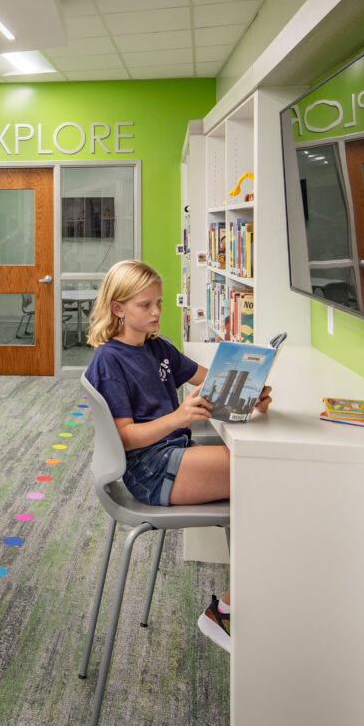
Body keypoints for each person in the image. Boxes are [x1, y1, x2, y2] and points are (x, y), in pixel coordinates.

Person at [83, 259, 272, 654]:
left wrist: (249, 394)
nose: (155, 312)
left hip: (173, 453)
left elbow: (211, 377)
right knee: (265, 476)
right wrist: (178, 417)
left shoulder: (159, 349)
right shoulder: (110, 360)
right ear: (118, 309)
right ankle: (227, 611)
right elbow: (126, 438)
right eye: (144, 305)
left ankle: (244, 604)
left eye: (159, 303)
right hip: (148, 470)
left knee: (266, 479)